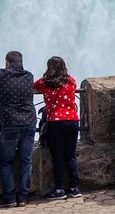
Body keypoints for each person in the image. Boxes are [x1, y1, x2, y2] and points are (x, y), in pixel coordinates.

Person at [0, 50, 36, 208]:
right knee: (25, 160)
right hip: (29, 121)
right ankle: (23, 197)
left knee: (5, 161)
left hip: (10, 122)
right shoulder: (29, 76)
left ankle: (9, 197)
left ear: (7, 62)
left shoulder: (0, 74)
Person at [34, 56, 81, 201]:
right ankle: (74, 188)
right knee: (71, 155)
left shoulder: (44, 83)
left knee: (58, 157)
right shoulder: (71, 81)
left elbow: (33, 86)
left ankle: (59, 189)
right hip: (73, 121)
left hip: (56, 122)